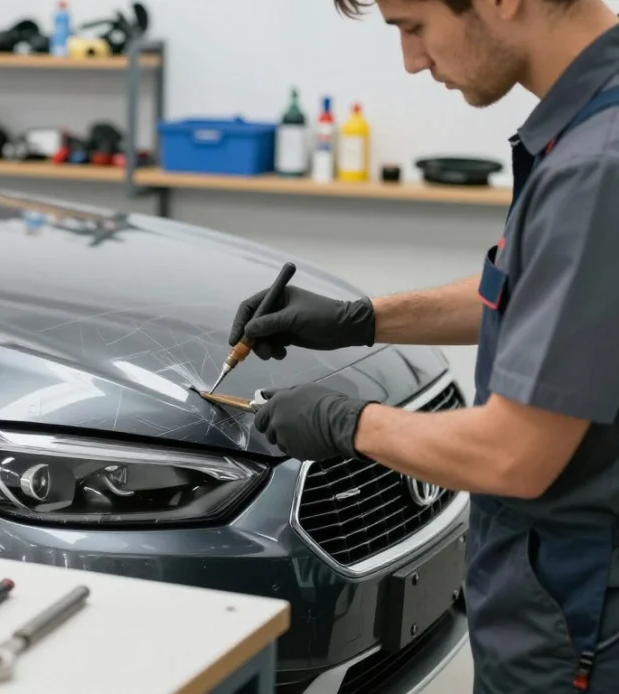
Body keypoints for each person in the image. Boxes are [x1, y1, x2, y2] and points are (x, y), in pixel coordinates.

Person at [229, 0, 619, 692]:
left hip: (580, 618)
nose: (412, 60)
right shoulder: (592, 127)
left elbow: (513, 455)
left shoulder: (596, 168)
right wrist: (359, 319)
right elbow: (534, 292)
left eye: (412, 25)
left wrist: (348, 423)